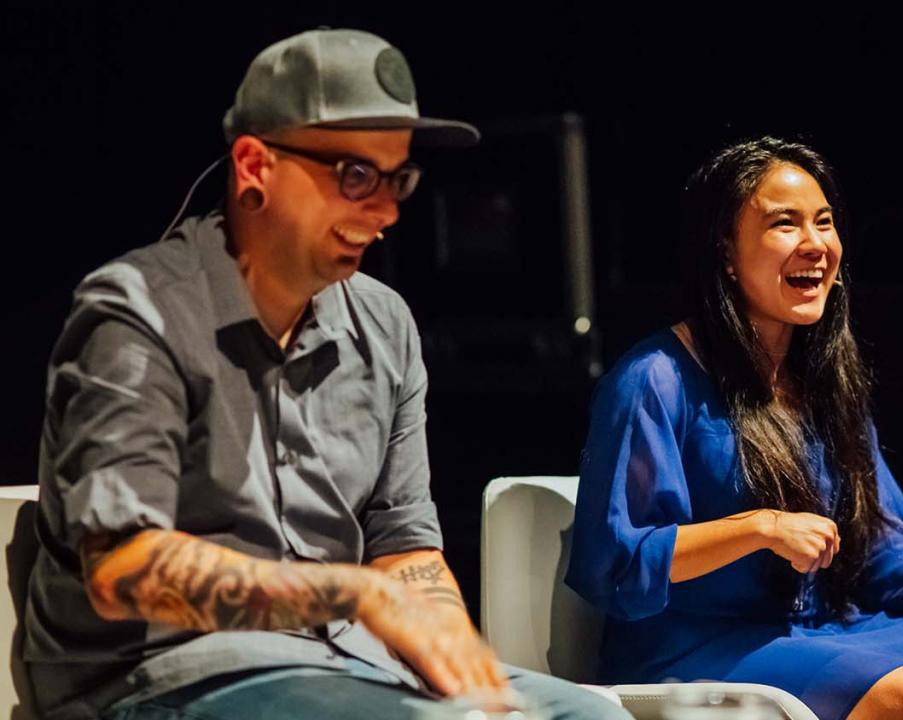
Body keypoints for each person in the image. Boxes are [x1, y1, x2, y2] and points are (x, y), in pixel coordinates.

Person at [24, 28, 630, 720]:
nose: (386, 210)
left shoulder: (385, 325)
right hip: (160, 674)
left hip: (340, 665)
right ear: (255, 166)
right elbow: (121, 570)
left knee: (588, 716)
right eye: (355, 176)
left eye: (397, 179)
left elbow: (405, 549)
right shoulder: (140, 311)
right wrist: (354, 595)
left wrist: (455, 656)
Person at [565, 137, 903, 720]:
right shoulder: (653, 379)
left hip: (815, 628)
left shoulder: (823, 381)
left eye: (823, 223)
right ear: (724, 250)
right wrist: (760, 527)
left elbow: (883, 544)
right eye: (784, 224)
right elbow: (616, 561)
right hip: (690, 644)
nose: (815, 245)